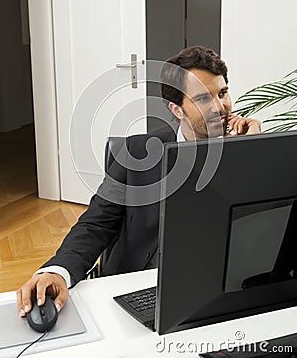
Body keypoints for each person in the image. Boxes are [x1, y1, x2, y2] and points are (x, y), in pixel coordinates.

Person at [17, 46, 261, 316]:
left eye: (223, 93)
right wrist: (58, 271)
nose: (220, 107)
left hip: (212, 289)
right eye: (203, 98)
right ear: (176, 109)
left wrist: (251, 151)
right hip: (136, 287)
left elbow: (258, 230)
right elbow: (97, 223)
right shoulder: (135, 154)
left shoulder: (244, 149)